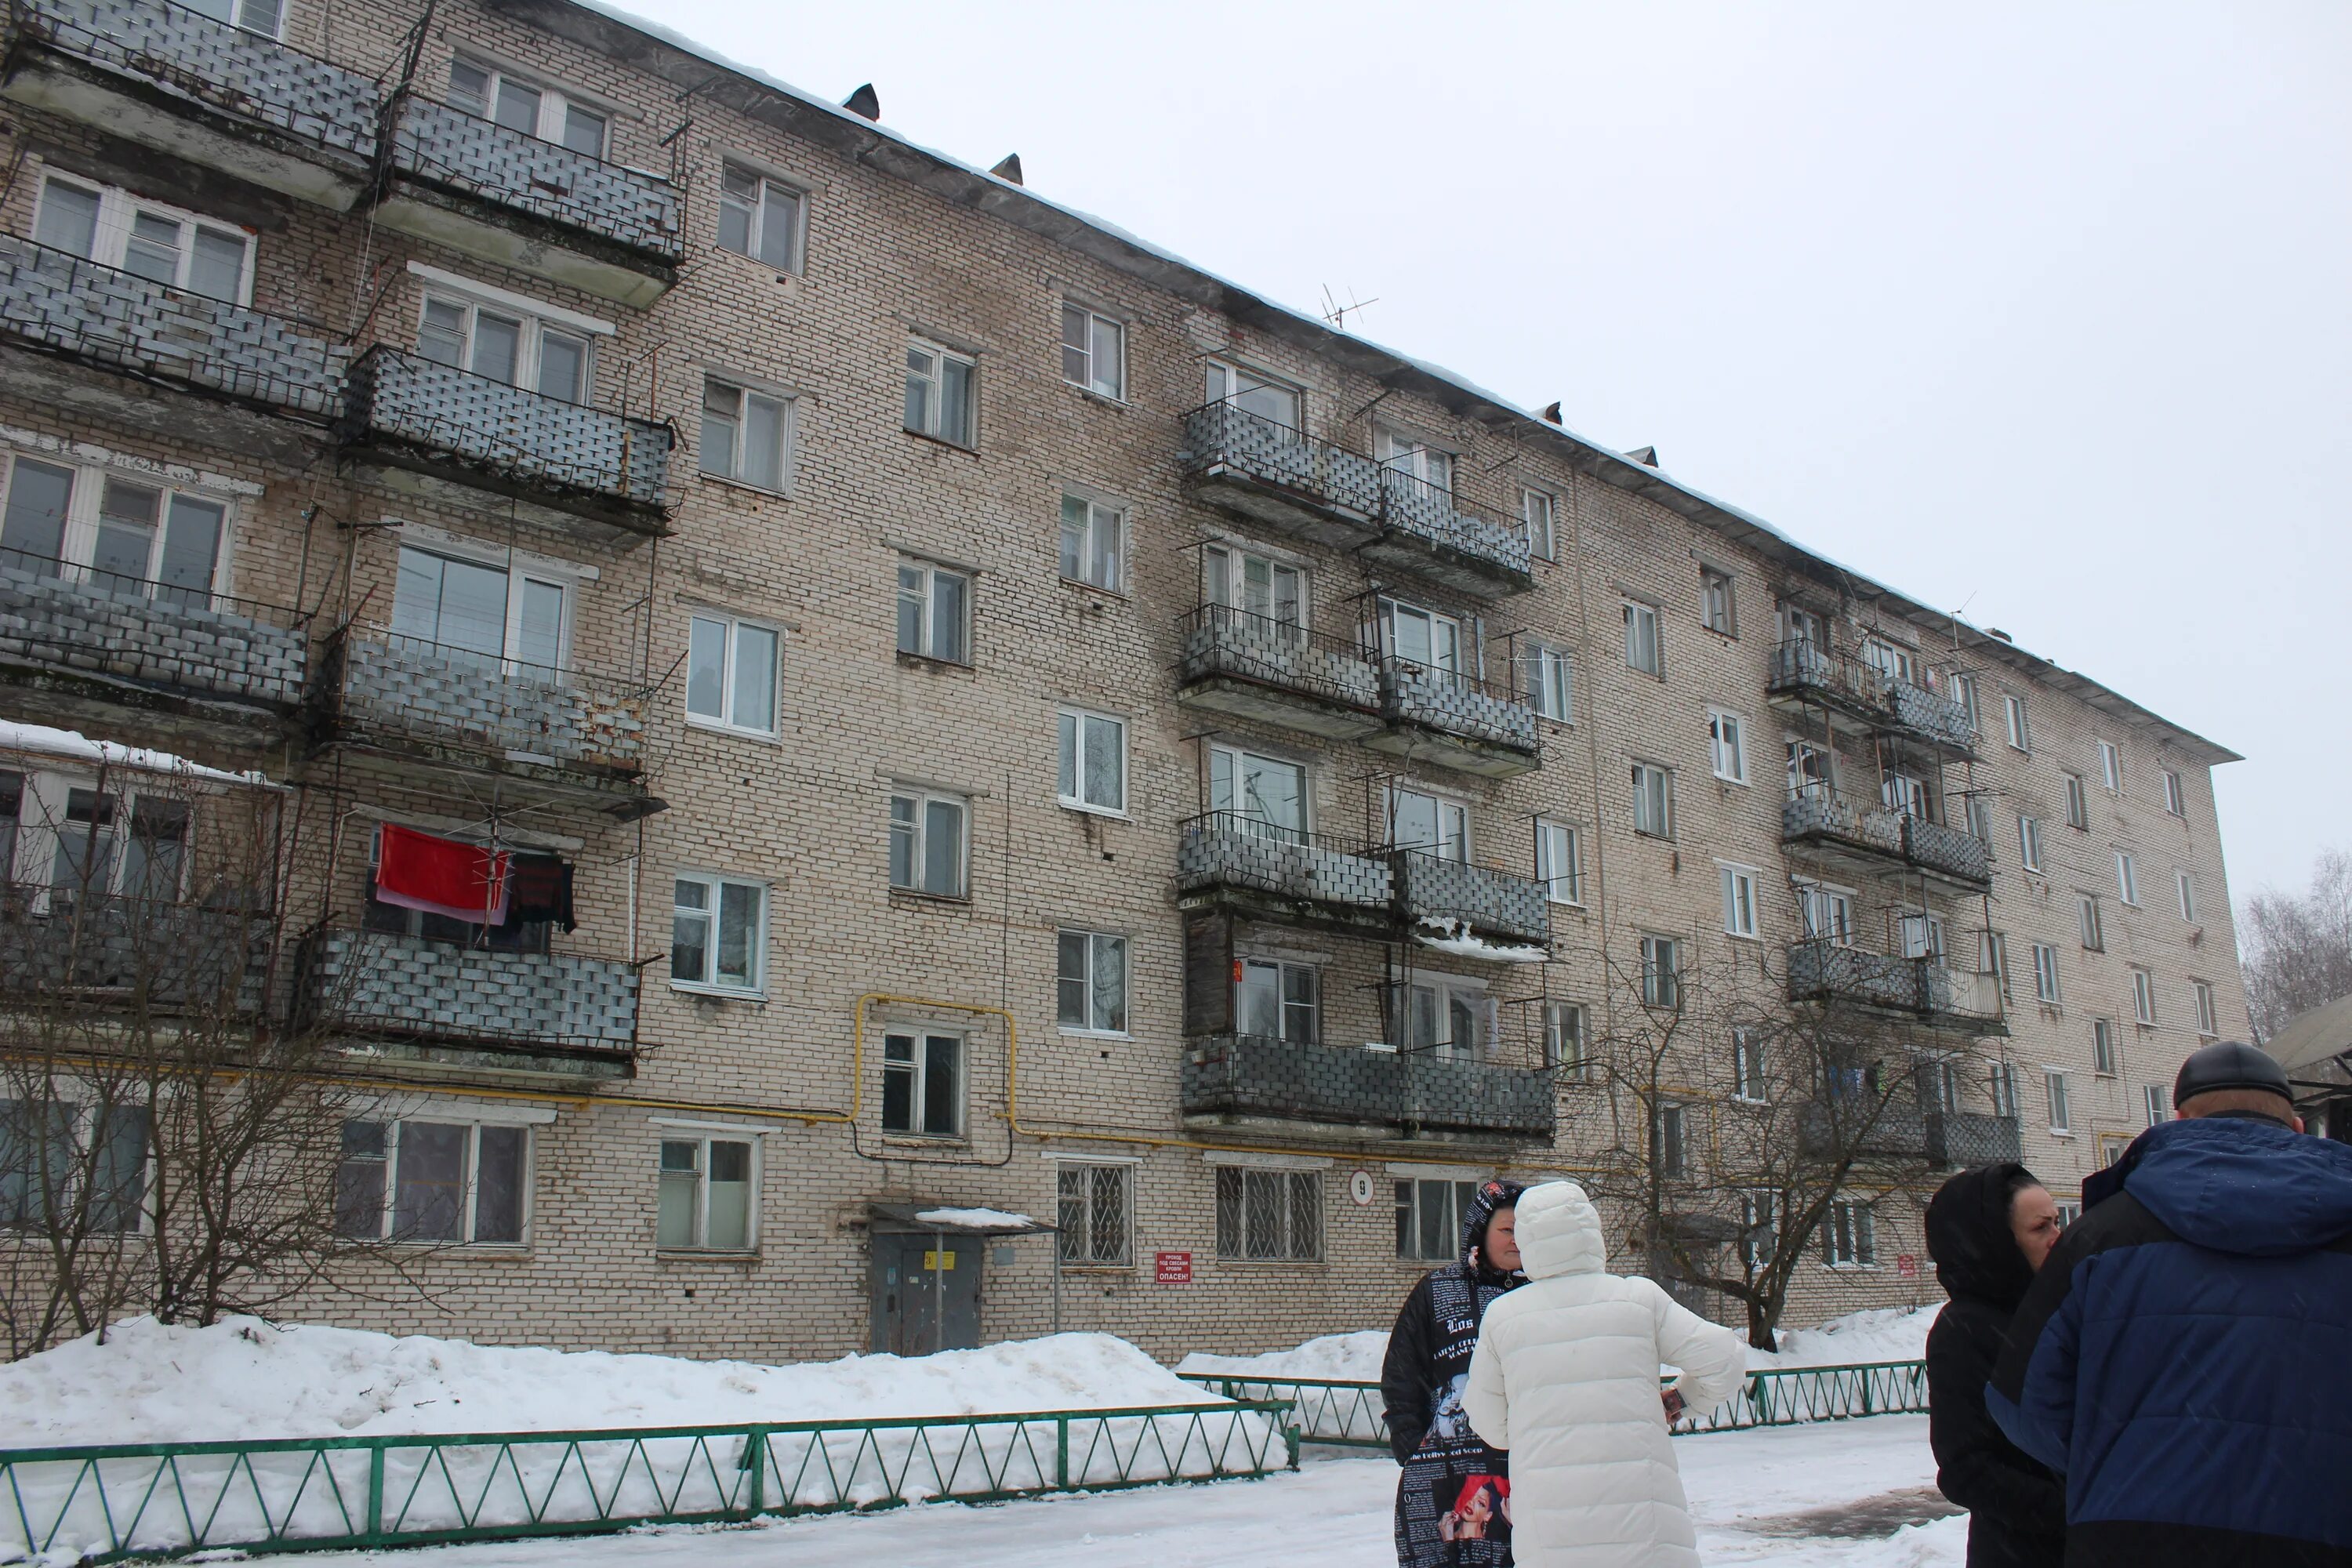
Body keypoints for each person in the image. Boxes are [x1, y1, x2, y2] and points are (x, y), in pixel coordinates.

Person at [1988, 1040, 2352, 1566]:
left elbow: (2022, 1406)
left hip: (2131, 1539)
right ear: (2297, 1126)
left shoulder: (2098, 1239)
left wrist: (2124, 1458)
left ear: (2178, 1120)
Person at [1460, 1180, 1745, 1568]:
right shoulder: (1638, 1301)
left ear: (1529, 1240)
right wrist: (1680, 1400)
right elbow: (1724, 1360)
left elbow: (1488, 1423)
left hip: (1552, 1538)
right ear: (1591, 1233)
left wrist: (1536, 1429)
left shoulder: (1504, 1318)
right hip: (1650, 1539)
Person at [1924, 1163, 2066, 1568]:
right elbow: (1965, 1469)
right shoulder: (1963, 1331)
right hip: (2021, 1553)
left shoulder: (2061, 1308)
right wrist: (2074, 1508)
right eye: (2041, 1228)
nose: (2059, 1238)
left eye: (2058, 1223)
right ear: (1999, 1242)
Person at [1383, 1178, 1526, 1568]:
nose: (1517, 1240)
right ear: (1481, 1231)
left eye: (1526, 1230)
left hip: (1527, 1467)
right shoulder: (1438, 1290)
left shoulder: (1546, 1294)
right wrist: (1413, 1447)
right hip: (1448, 1470)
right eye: (1507, 1230)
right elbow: (1402, 1371)